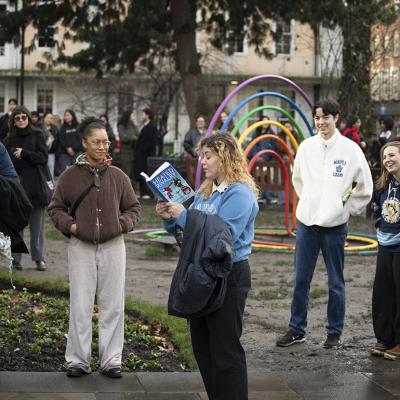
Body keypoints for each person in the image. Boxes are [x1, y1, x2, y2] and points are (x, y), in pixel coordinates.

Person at [156, 133, 258, 400]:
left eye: (208, 156)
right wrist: (171, 218)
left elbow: (221, 236)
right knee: (203, 346)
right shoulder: (206, 191)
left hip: (229, 275)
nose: (203, 162)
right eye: (203, 156)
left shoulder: (241, 193)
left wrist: (185, 215)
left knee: (225, 349)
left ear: (225, 157)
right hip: (203, 273)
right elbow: (191, 235)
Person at [276, 99, 373, 349]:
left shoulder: (350, 149)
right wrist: (309, 201)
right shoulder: (307, 147)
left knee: (335, 281)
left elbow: (363, 186)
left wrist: (345, 207)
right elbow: (298, 180)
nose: (321, 122)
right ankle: (297, 329)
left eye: (326, 117)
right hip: (307, 223)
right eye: (317, 118)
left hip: (335, 227)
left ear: (336, 118)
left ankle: (334, 331)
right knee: (300, 279)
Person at [48, 117, 140, 378]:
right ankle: (78, 360)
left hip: (113, 246)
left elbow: (133, 208)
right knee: (80, 303)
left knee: (113, 304)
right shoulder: (69, 176)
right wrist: (72, 227)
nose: (102, 147)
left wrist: (122, 224)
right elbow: (55, 208)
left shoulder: (118, 176)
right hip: (81, 247)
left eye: (106, 142)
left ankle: (111, 360)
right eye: (97, 142)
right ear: (84, 143)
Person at [4, 105, 49, 271]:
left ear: (29, 118)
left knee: (37, 226)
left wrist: (24, 154)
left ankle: (39, 259)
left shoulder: (37, 134)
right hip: (16, 186)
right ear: (13, 121)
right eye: (18, 118)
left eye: (24, 117)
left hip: (35, 185)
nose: (21, 120)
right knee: (17, 225)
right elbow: (7, 161)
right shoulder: (9, 138)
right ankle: (16, 260)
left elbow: (43, 157)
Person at [370, 141, 400, 360]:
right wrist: (379, 224)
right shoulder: (381, 185)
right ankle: (385, 338)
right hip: (385, 245)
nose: (387, 159)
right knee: (383, 293)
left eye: (392, 155)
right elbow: (376, 208)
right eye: (384, 157)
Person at [134, 108, 159, 199]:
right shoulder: (144, 126)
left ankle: (148, 193)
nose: (142, 116)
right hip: (142, 155)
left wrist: (142, 149)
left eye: (143, 114)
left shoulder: (152, 127)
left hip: (147, 156)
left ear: (148, 115)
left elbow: (152, 142)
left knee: (146, 174)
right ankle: (142, 193)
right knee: (141, 174)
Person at [57, 109, 82, 175]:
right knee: (66, 173)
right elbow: (61, 139)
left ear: (72, 116)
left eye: (68, 115)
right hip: (65, 153)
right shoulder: (63, 128)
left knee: (78, 172)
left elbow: (80, 139)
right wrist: (67, 148)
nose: (66, 117)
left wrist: (73, 148)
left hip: (76, 152)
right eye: (65, 115)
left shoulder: (78, 126)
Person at [117, 110, 139, 178]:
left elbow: (138, 136)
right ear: (128, 116)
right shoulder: (121, 126)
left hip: (134, 152)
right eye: (132, 115)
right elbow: (123, 137)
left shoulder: (133, 126)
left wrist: (132, 137)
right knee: (126, 172)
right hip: (125, 153)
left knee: (133, 172)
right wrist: (132, 137)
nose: (134, 117)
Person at [43, 112, 59, 178]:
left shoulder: (55, 128)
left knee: (50, 170)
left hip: (51, 153)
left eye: (51, 118)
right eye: (48, 118)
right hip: (42, 153)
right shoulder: (40, 128)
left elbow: (57, 141)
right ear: (44, 118)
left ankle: (51, 187)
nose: (49, 119)